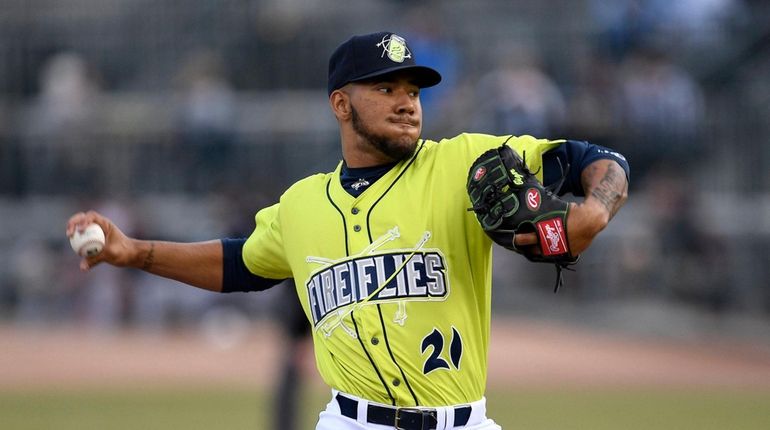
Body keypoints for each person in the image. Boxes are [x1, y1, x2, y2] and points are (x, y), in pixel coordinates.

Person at [67, 31, 629, 430]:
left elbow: (597, 159)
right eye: (386, 89)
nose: (407, 103)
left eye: (413, 90)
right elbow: (238, 265)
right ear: (341, 103)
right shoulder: (303, 204)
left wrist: (594, 212)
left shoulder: (462, 163)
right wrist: (134, 251)